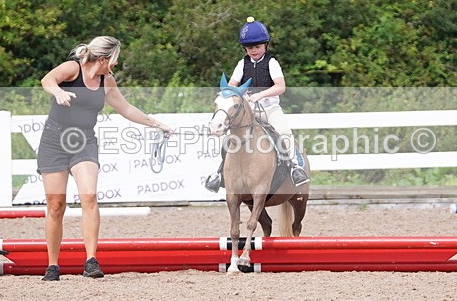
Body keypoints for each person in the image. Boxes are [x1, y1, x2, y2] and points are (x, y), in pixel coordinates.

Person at [37, 36, 173, 281]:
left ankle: (91, 260)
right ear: (102, 59)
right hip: (54, 141)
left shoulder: (106, 80)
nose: (115, 65)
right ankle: (53, 265)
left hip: (84, 142)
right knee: (56, 207)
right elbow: (47, 79)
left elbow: (126, 108)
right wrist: (57, 91)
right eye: (114, 60)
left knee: (89, 196)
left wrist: (157, 124)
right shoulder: (72, 68)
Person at [205, 17, 310, 192]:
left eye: (257, 46)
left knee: (284, 133)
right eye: (249, 47)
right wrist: (239, 94)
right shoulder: (242, 64)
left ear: (265, 45)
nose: (253, 50)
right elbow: (231, 86)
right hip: (249, 111)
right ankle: (220, 174)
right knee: (228, 139)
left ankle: (295, 168)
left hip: (270, 109)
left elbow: (280, 86)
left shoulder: (272, 63)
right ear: (245, 48)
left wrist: (259, 95)